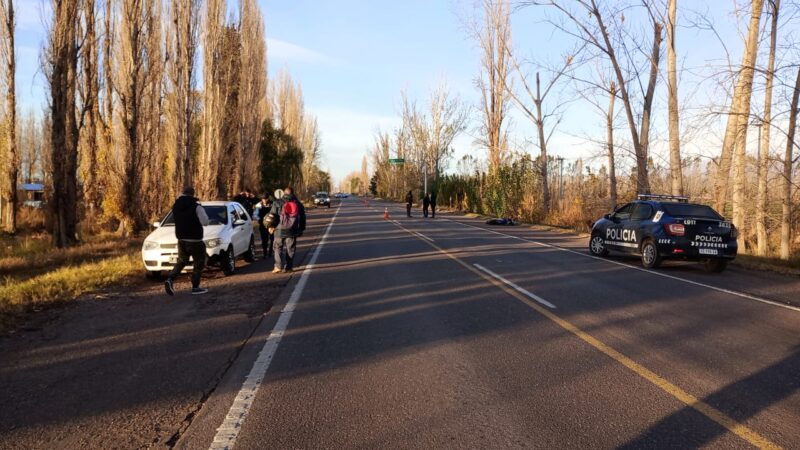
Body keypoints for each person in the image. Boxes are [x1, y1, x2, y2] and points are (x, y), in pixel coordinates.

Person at [165, 186, 209, 296]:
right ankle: (195, 287)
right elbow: (205, 222)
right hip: (195, 240)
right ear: (192, 194)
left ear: (182, 193)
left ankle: (170, 279)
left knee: (182, 260)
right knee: (199, 262)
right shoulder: (196, 206)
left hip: (181, 239)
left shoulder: (176, 206)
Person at [269, 187, 306, 273]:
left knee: (277, 247)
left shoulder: (277, 202)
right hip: (292, 230)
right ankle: (288, 267)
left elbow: (272, 216)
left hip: (279, 230)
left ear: (284, 193)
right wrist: (301, 229)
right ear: (293, 193)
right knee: (290, 248)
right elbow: (303, 217)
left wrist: (271, 226)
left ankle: (278, 267)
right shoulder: (298, 203)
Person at [254, 193, 275, 258]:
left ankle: (270, 252)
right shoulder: (259, 205)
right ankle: (264, 252)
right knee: (264, 239)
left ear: (268, 198)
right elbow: (255, 215)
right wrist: (259, 219)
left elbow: (275, 213)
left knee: (272, 239)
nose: (264, 200)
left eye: (266, 199)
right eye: (263, 199)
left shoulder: (272, 204)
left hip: (272, 224)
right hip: (263, 224)